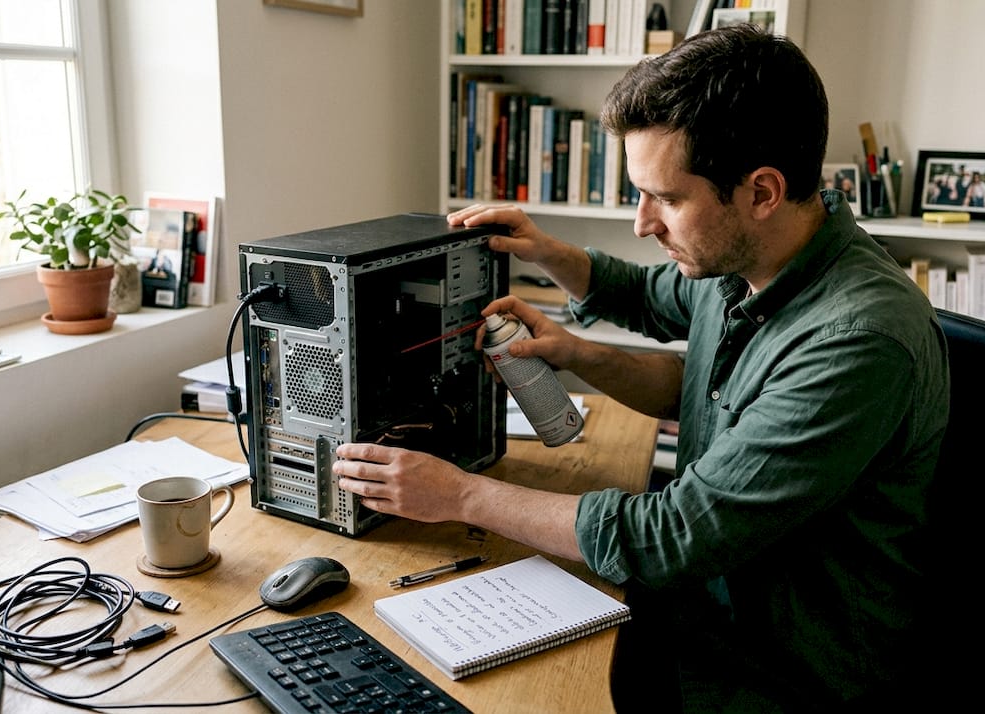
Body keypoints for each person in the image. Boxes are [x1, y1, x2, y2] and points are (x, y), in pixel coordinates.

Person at [334, 24, 950, 712]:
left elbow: (671, 537)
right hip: (699, 611)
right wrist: (556, 293)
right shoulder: (756, 257)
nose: (642, 223)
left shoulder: (857, 342)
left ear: (762, 191)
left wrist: (460, 497)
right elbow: (653, 307)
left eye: (667, 198)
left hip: (775, 669)